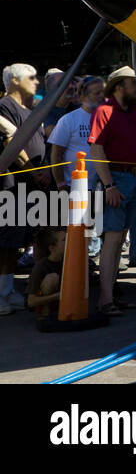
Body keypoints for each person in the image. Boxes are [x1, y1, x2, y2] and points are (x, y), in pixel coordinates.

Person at [87, 66, 136, 316]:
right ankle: (105, 299)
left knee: (119, 237)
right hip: (117, 179)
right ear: (118, 86)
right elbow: (96, 150)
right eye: (133, 82)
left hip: (134, 179)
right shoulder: (103, 111)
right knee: (112, 240)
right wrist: (109, 184)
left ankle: (111, 294)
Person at [0, 63, 47, 314]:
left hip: (24, 188)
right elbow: (11, 142)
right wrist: (34, 171)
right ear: (15, 81)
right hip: (8, 186)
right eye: (32, 77)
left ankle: (6, 291)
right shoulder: (5, 106)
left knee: (13, 243)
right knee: (3, 241)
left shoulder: (27, 109)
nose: (37, 82)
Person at [47, 76, 105, 190]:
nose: (102, 97)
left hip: (104, 187)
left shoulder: (109, 118)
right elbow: (56, 155)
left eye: (103, 92)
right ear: (83, 96)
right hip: (75, 186)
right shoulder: (68, 120)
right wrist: (61, 184)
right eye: (97, 93)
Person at [26, 228, 65, 318]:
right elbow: (31, 302)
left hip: (60, 301)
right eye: (64, 240)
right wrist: (57, 296)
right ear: (52, 248)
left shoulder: (67, 260)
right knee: (52, 278)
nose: (69, 242)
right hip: (42, 302)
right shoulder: (41, 266)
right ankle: (45, 315)